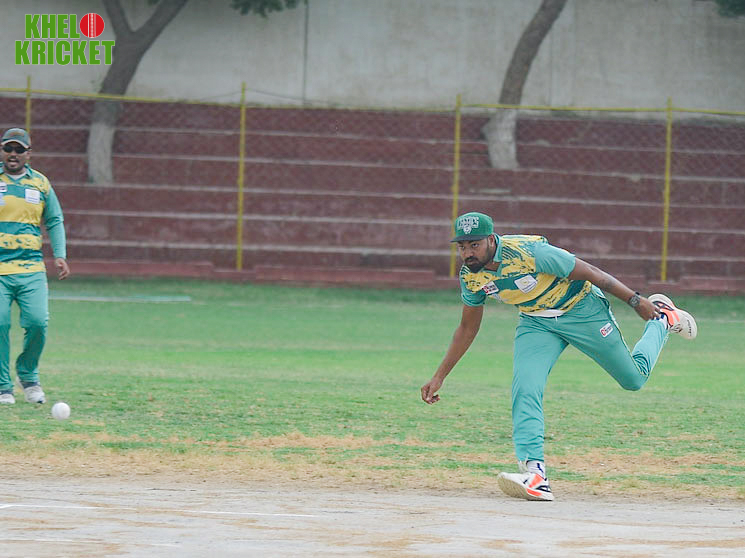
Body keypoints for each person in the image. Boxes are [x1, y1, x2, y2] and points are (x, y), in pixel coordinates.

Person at [421, 212, 696, 501]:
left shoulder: (529, 252)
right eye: (462, 246)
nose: (467, 253)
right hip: (536, 323)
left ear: (491, 240)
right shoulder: (471, 276)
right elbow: (467, 328)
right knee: (525, 387)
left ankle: (662, 320)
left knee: (633, 380)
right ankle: (535, 475)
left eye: (474, 245)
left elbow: (591, 272)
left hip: (582, 310)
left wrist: (635, 300)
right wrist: (439, 376)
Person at [0, 128, 70, 405]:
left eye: (19, 149)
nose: (13, 154)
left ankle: (28, 376)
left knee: (38, 323)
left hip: (31, 269)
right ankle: (3, 386)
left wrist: (60, 255)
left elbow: (54, 219)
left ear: (28, 153)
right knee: (0, 323)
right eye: (8, 148)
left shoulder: (40, 183)